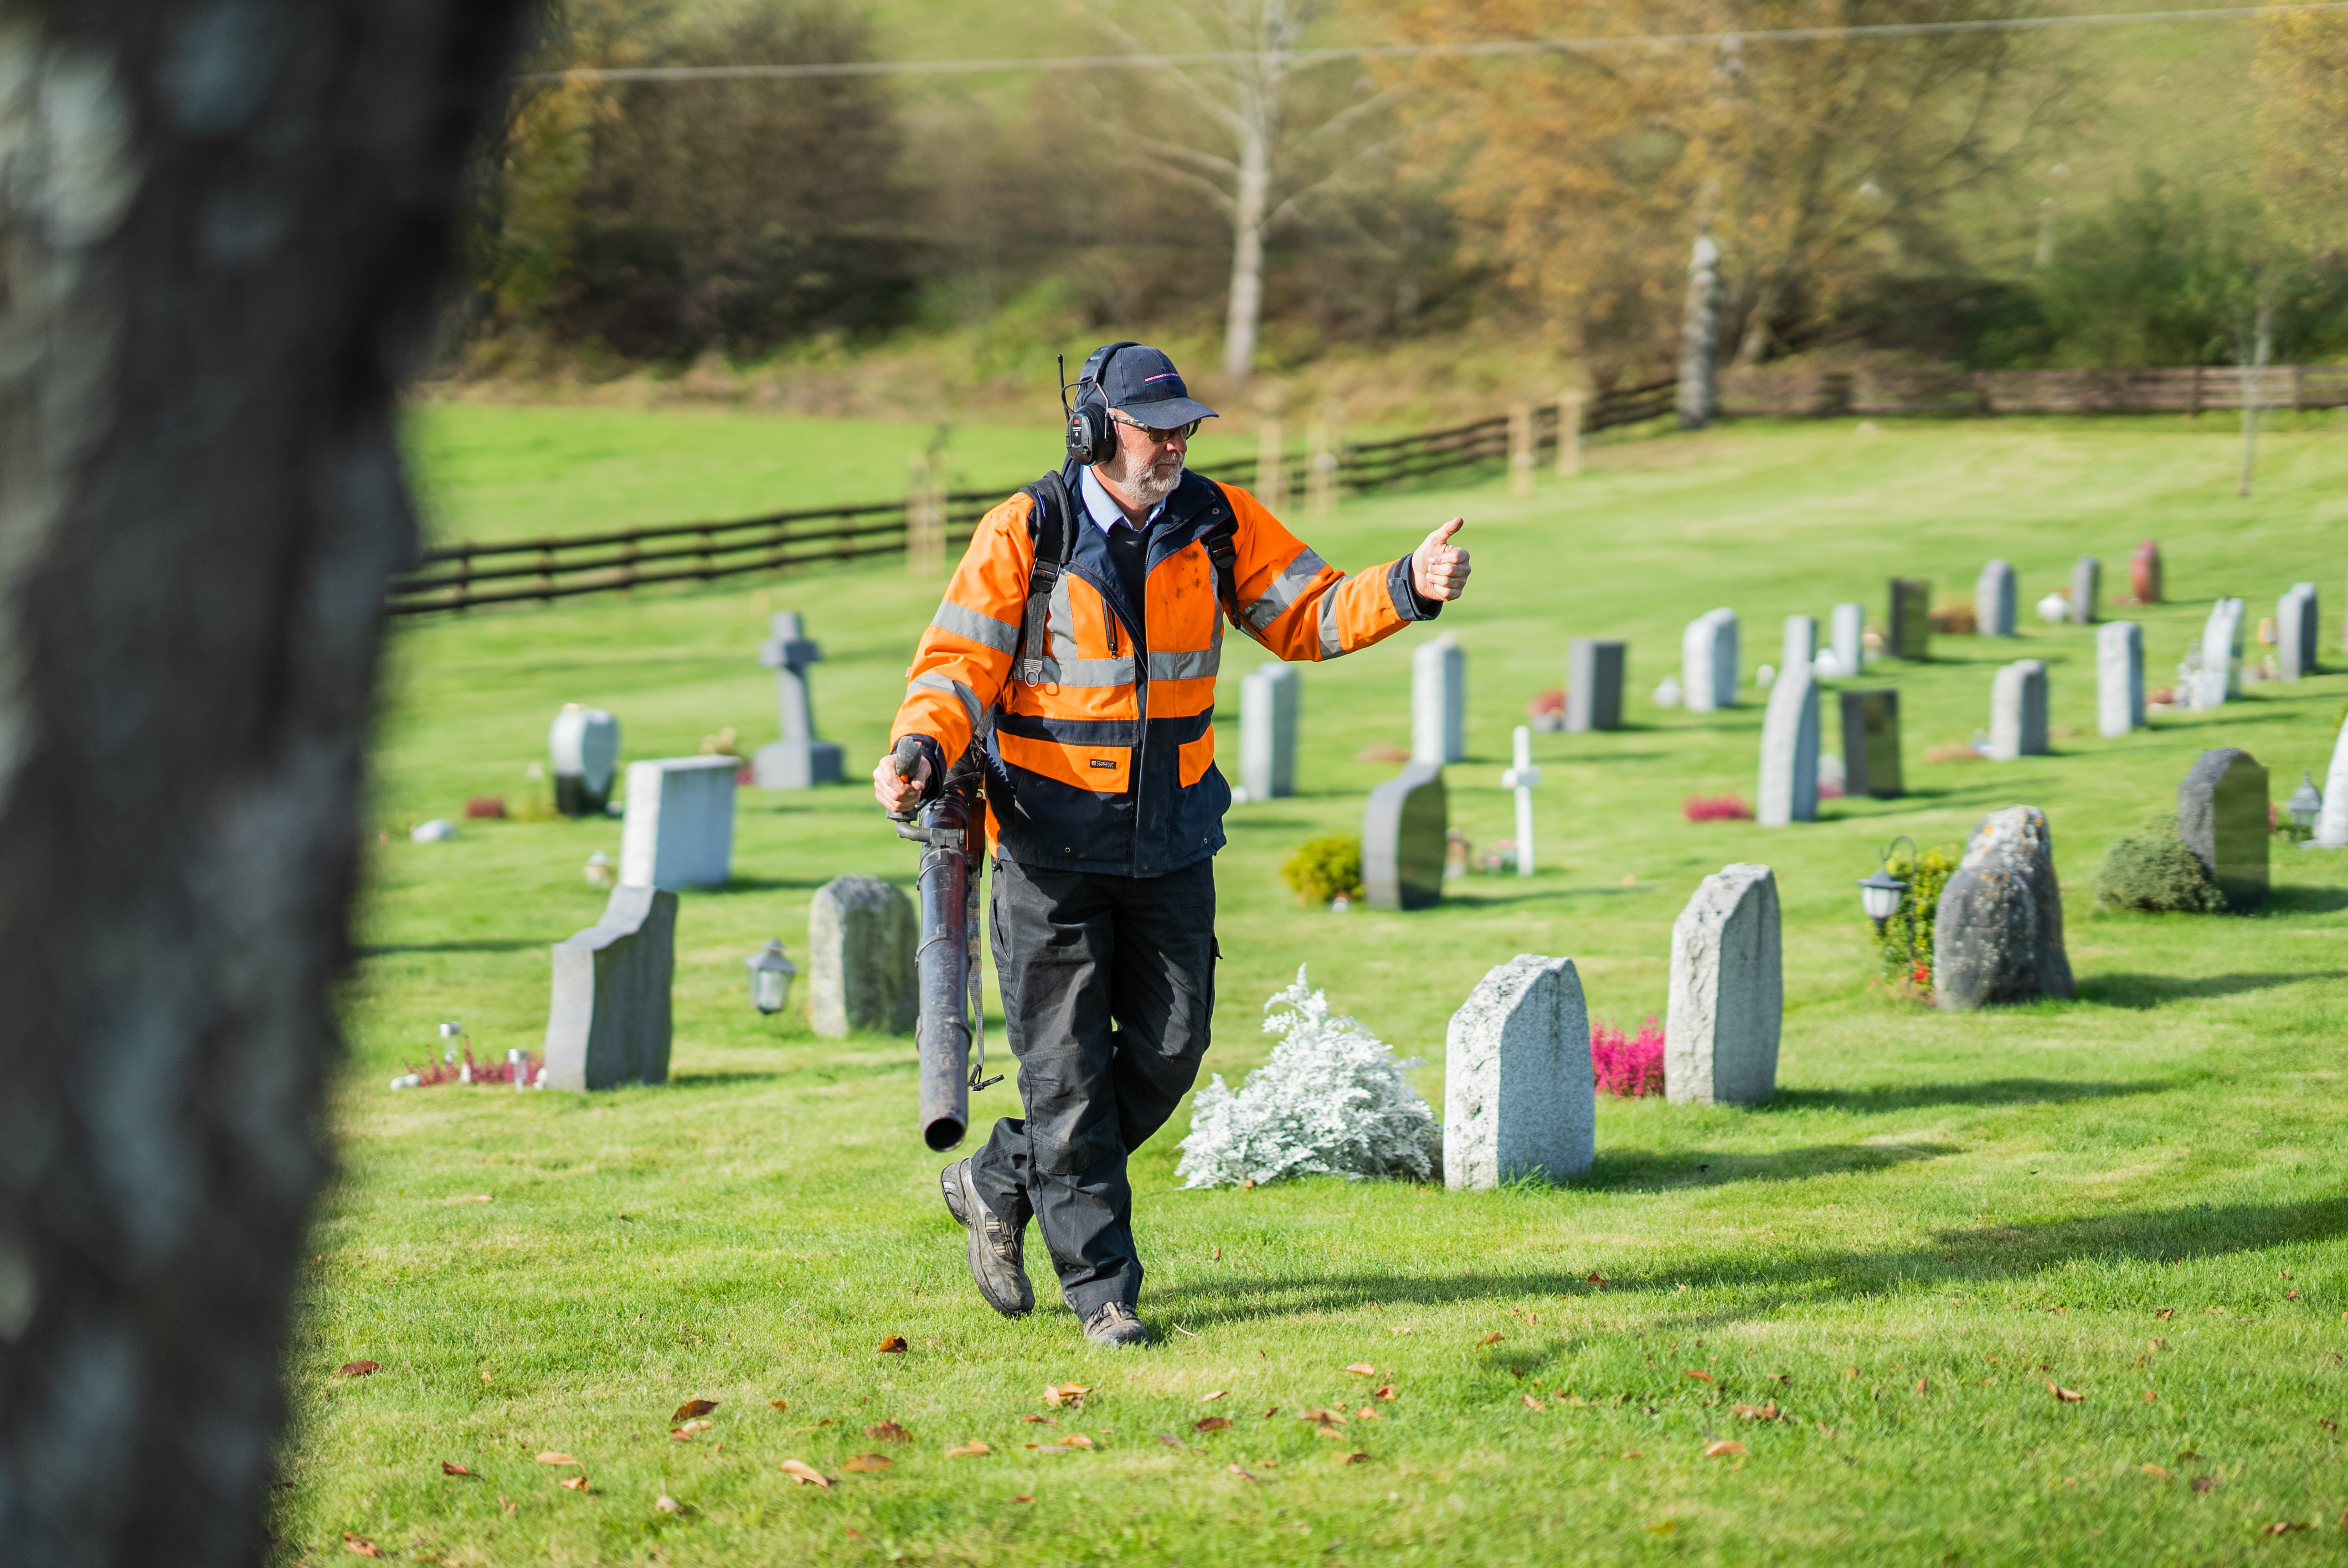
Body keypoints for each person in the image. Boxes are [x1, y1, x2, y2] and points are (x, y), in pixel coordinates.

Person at [873, 341, 1471, 1348]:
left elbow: (1307, 614)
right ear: (1097, 432)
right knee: (1066, 1075)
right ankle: (1104, 1295)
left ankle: (994, 1177)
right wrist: (918, 748)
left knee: (1169, 1050)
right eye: (1157, 429)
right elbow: (956, 662)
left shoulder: (1216, 521)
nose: (1176, 446)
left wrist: (1408, 584)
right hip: (1050, 854)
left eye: (1186, 428)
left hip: (1174, 841)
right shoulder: (1028, 529)